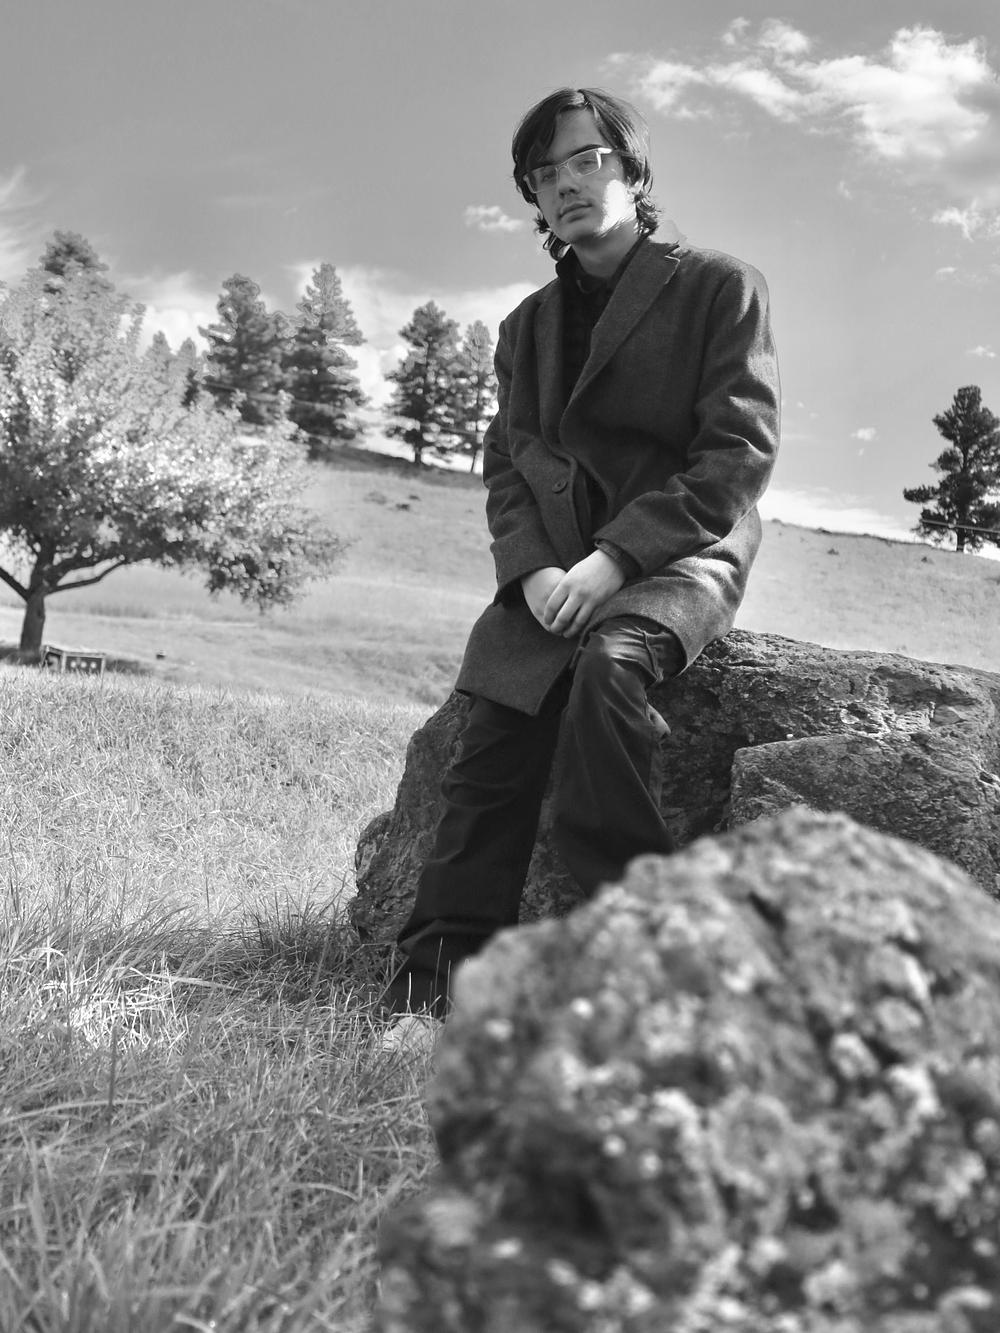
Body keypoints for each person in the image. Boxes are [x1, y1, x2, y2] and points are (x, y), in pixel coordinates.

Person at [386, 86, 780, 1022]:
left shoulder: (720, 286)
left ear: (632, 169)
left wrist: (617, 560)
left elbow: (738, 452)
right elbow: (507, 466)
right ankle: (429, 990)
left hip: (678, 553)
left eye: (585, 160)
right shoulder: (525, 327)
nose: (564, 184)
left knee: (608, 674)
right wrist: (531, 570)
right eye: (543, 173)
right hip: (554, 570)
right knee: (496, 729)